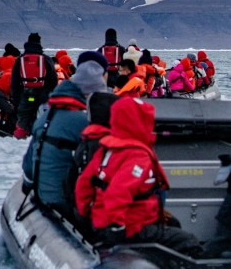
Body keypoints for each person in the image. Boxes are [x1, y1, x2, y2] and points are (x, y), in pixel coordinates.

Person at [75, 98, 202, 257]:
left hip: (101, 221)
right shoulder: (137, 156)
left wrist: (86, 215)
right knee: (187, 241)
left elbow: (83, 185)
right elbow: (118, 192)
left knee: (173, 223)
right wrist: (117, 227)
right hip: (130, 226)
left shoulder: (107, 149)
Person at [21, 51, 109, 217]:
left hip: (43, 199)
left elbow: (28, 170)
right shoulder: (86, 123)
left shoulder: (46, 116)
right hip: (66, 206)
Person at [63, 91, 120, 227]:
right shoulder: (107, 145)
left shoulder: (87, 139)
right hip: (95, 215)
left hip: (80, 208)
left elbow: (72, 180)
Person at [11, 32, 58, 138]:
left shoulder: (20, 60)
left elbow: (14, 82)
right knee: (44, 117)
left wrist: (16, 100)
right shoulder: (46, 59)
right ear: (39, 43)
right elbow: (53, 78)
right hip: (43, 95)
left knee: (24, 118)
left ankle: (19, 140)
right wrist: (51, 93)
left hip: (27, 94)